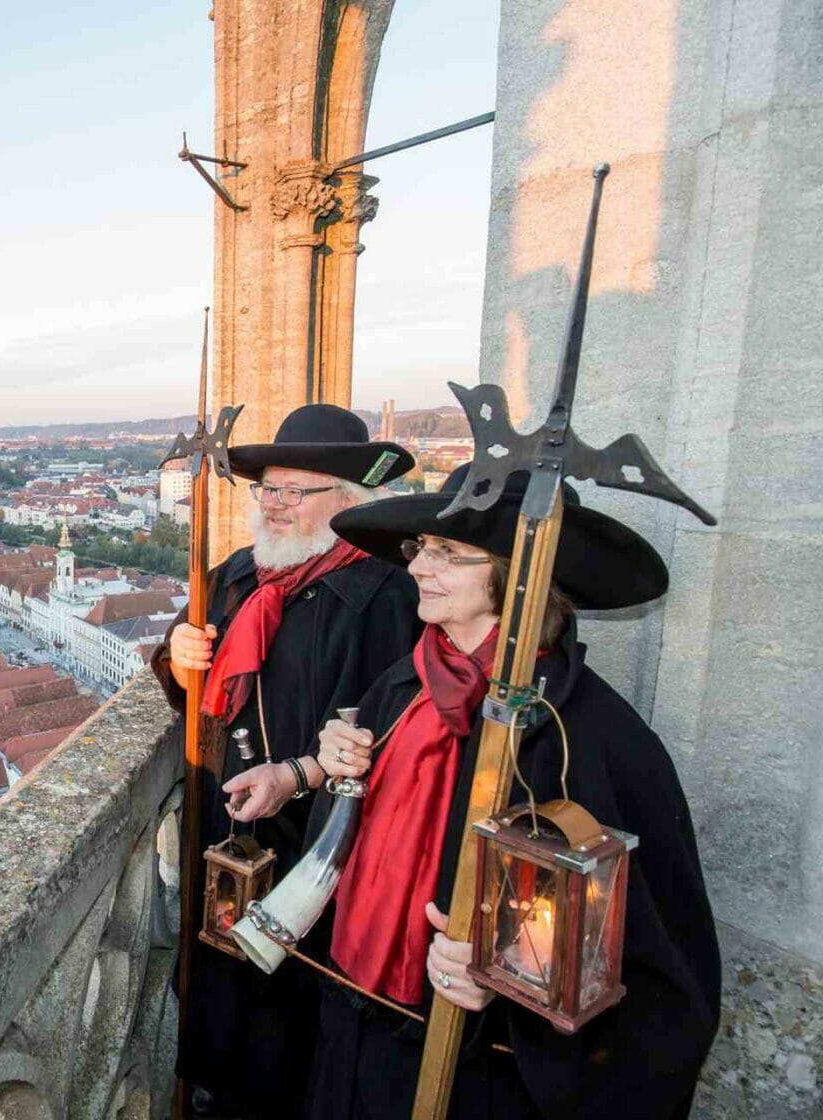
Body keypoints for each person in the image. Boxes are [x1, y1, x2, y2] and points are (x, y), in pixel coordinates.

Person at [297, 466, 720, 1119]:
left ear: (517, 576)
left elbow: (650, 963)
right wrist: (334, 769)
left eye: (446, 554)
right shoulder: (401, 687)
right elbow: (351, 850)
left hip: (474, 1072)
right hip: (349, 1028)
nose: (416, 569)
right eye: (420, 549)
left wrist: (506, 978)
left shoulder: (595, 739)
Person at [151, 403, 420, 1119]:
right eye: (267, 488)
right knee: (218, 1008)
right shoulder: (238, 575)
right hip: (225, 833)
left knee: (287, 1036)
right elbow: (185, 658)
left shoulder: (388, 597)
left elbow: (396, 741)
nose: (273, 504)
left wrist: (297, 774)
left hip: (315, 852)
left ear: (350, 502)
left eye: (293, 491)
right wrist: (177, 659)